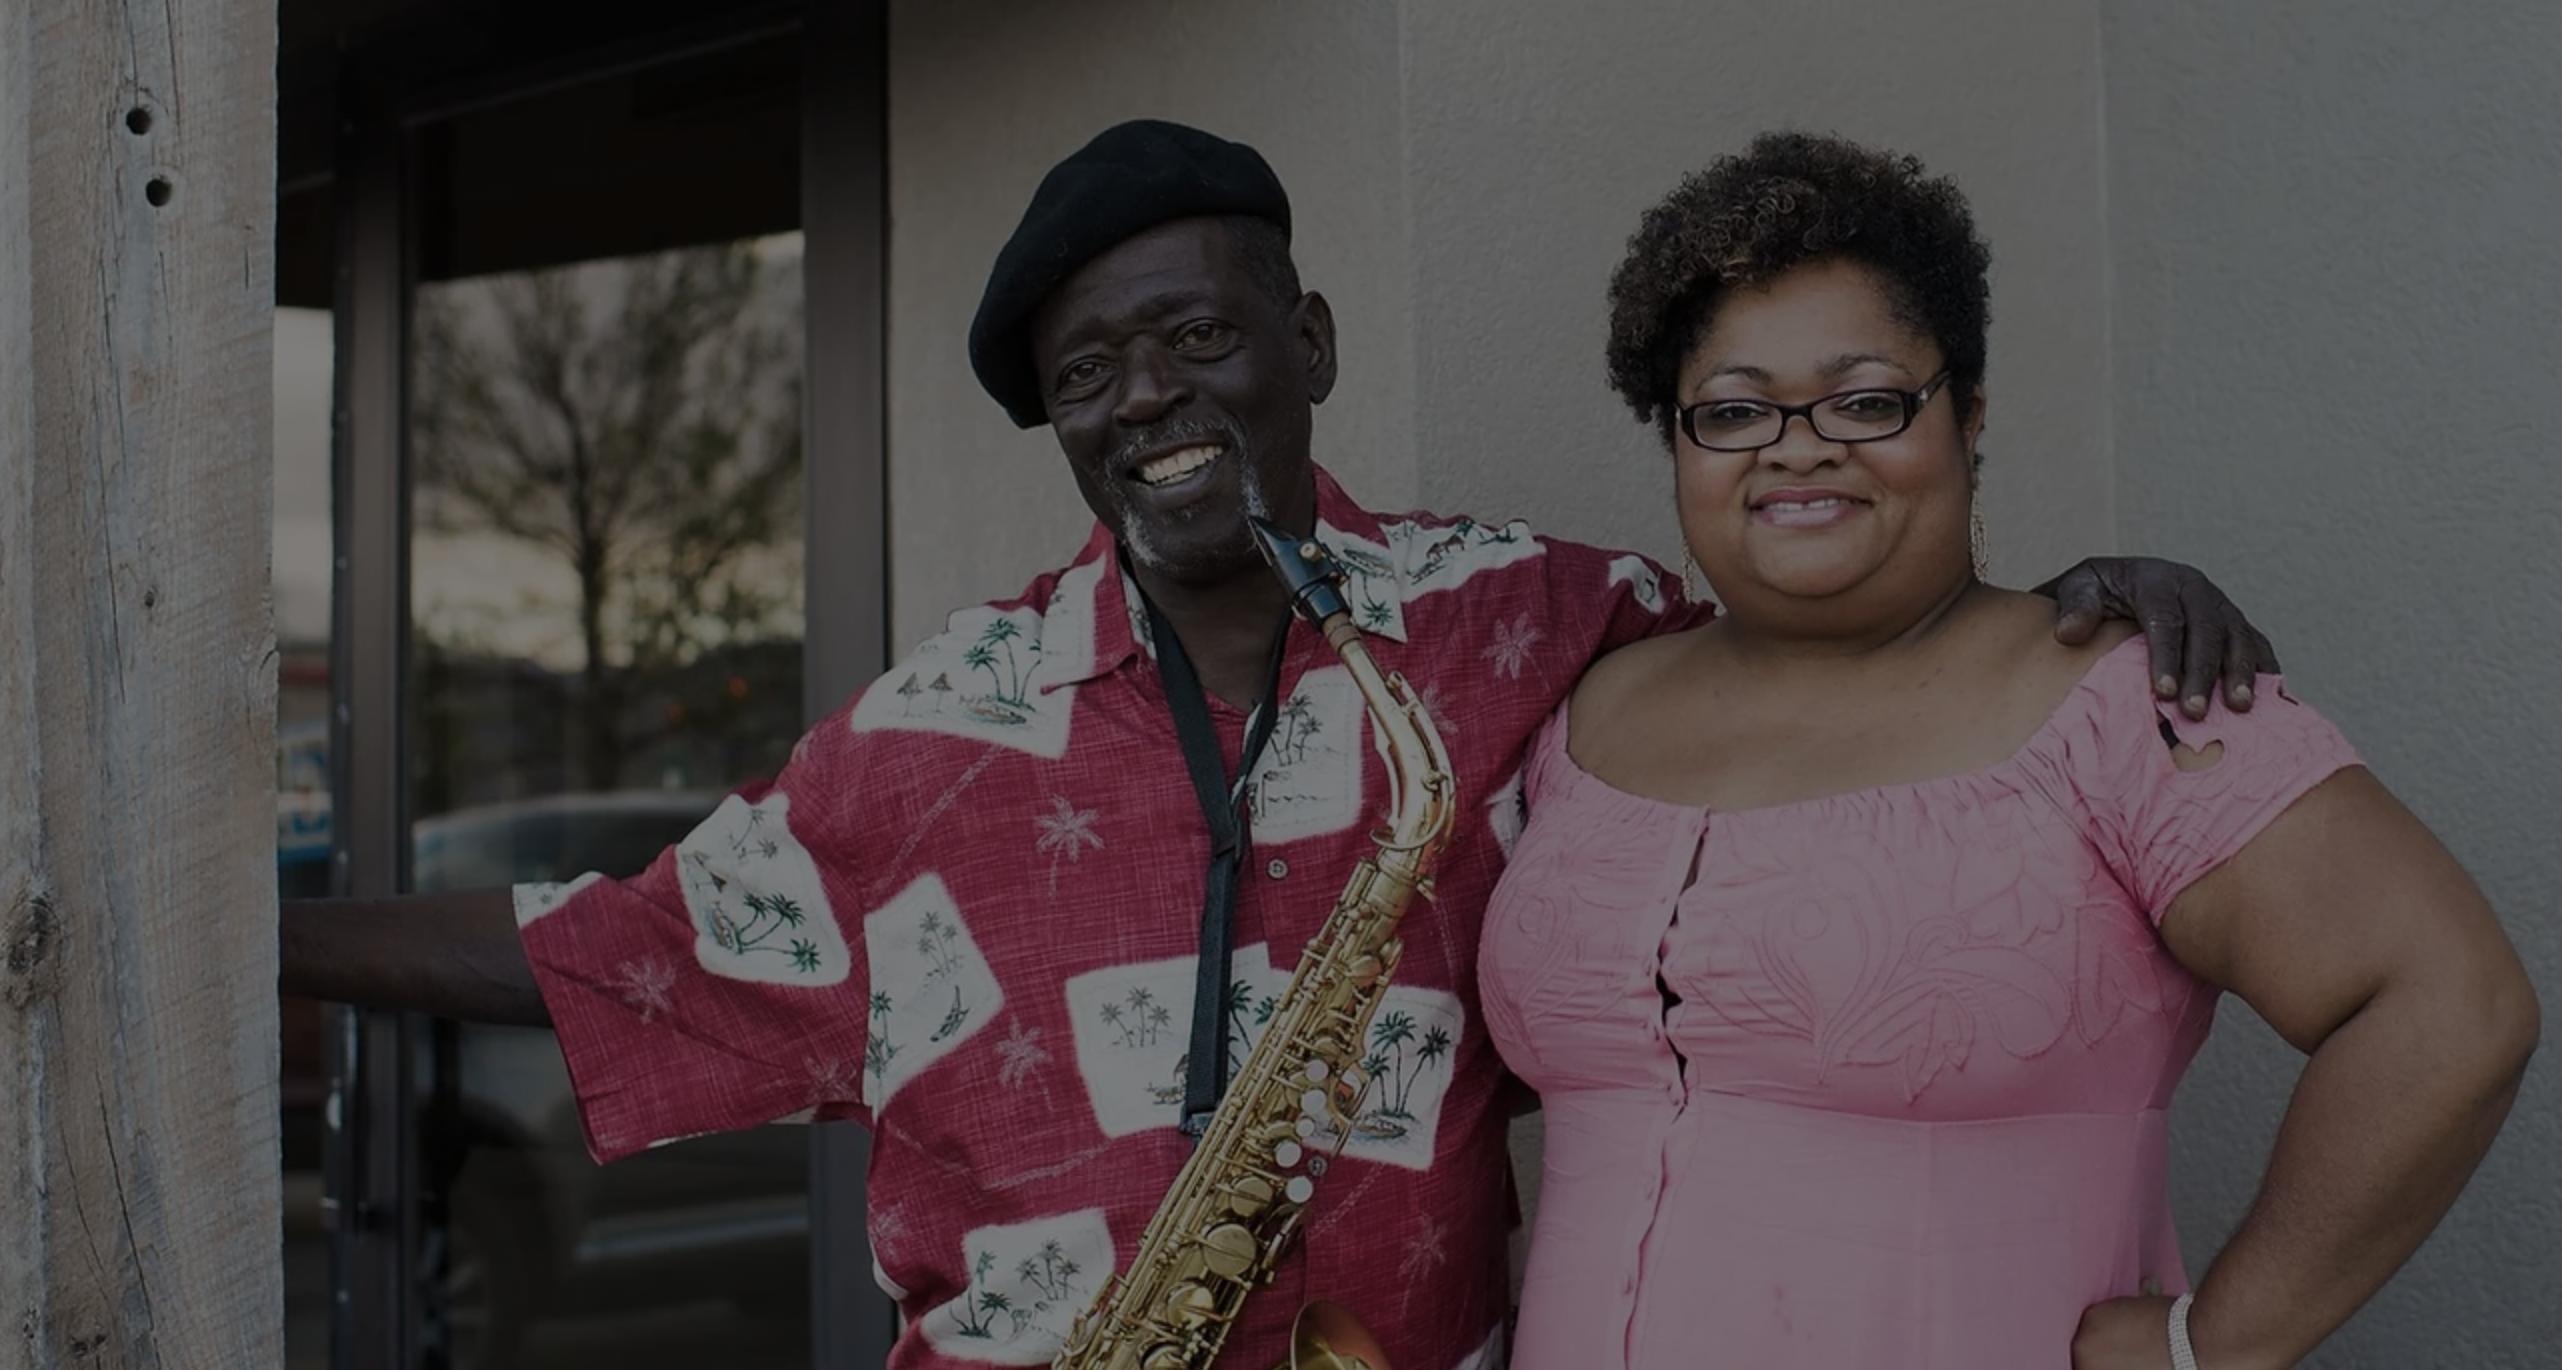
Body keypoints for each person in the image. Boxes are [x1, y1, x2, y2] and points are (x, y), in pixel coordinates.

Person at [283, 120, 2281, 1369]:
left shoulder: (1553, 624)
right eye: (1094, 370)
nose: (1154, 398)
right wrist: (239, 938)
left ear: (1308, 343)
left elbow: (1831, 627)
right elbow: (605, 946)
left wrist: (2062, 600)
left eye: (1199, 337)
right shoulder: (931, 728)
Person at [1479, 131, 2540, 1370]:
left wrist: (2227, 1338)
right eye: (1732, 409)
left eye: (1867, 398)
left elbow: (2451, 1007)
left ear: (1969, 415)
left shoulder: (2124, 699)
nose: (1798, 445)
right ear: (1676, 440)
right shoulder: (1585, 710)